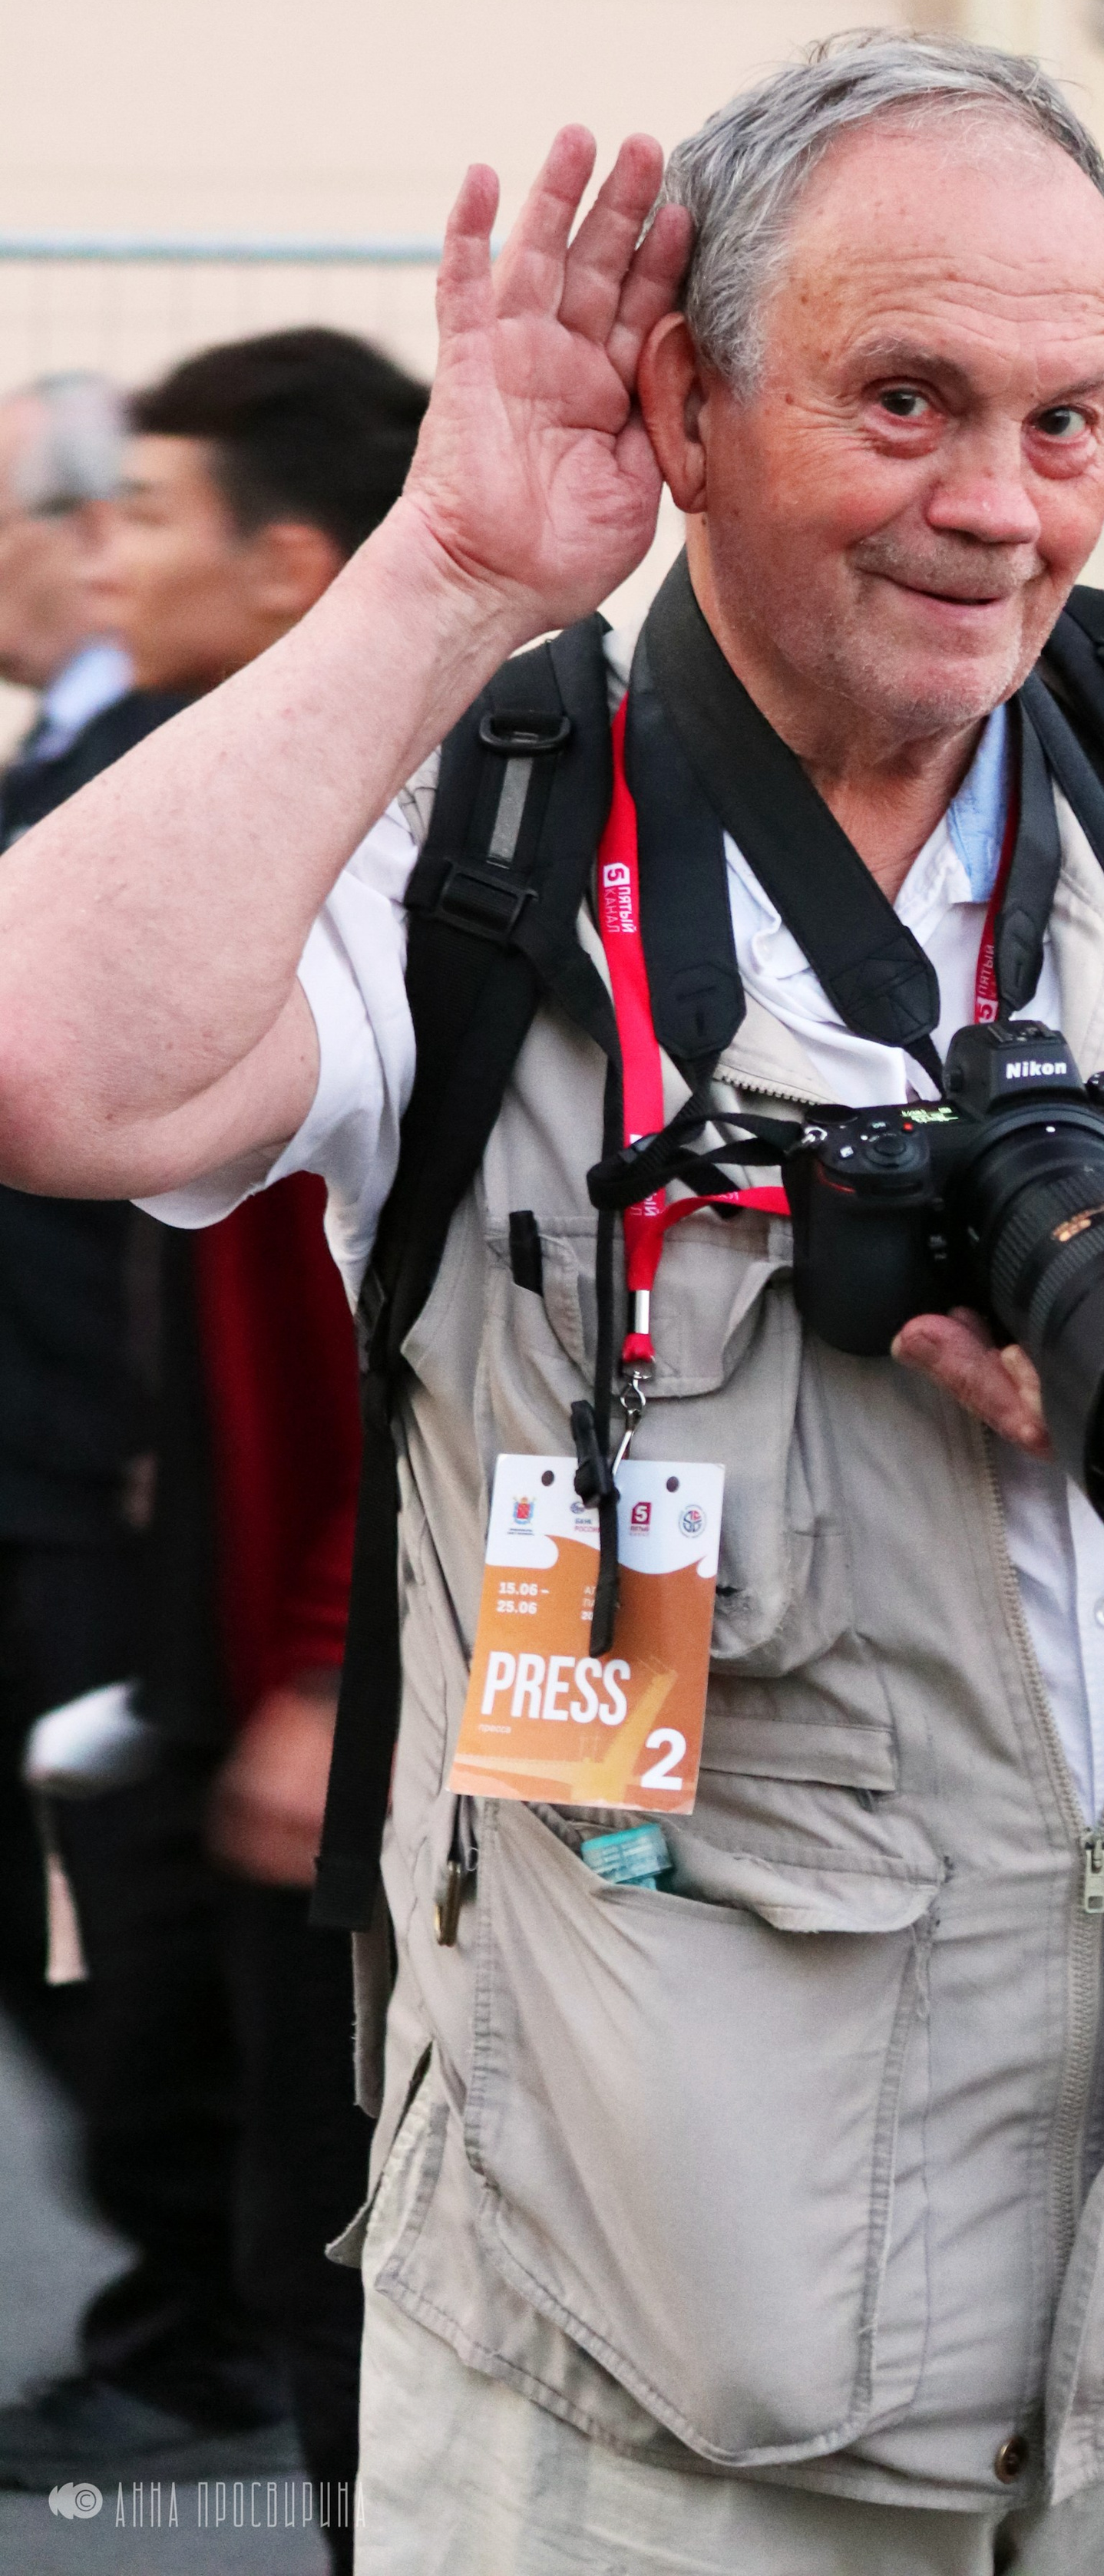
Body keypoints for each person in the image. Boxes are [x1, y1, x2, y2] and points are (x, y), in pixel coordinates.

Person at [0, 36, 1104, 2576]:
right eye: (909, 398)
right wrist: (457, 572)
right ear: (691, 407)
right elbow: (51, 1060)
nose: (995, 502)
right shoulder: (485, 827)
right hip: (639, 2400)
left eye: (1070, 420)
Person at [0, 332, 424, 2568]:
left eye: (145, 516)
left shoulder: (368, 867)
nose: (100, 558)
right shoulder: (226, 834)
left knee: (368, 2212)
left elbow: (452, 1323)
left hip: (369, 1666)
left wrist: (323, 1663)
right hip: (239, 1616)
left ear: (285, 574)